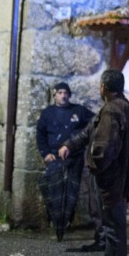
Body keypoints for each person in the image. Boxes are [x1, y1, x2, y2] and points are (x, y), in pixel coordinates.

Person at [60, 69, 129, 256]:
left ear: (104, 87)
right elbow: (89, 132)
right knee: (114, 228)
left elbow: (104, 147)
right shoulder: (123, 107)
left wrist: (93, 166)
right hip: (120, 179)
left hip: (112, 181)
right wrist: (71, 145)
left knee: (113, 229)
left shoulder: (112, 110)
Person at [36, 81, 94, 241]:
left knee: (71, 193)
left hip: (74, 159)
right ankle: (55, 222)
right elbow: (40, 134)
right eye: (60, 93)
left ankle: (66, 221)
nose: (63, 95)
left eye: (66, 93)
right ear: (54, 94)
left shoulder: (79, 111)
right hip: (54, 158)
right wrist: (46, 153)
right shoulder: (48, 113)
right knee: (54, 192)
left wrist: (81, 143)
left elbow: (94, 123)